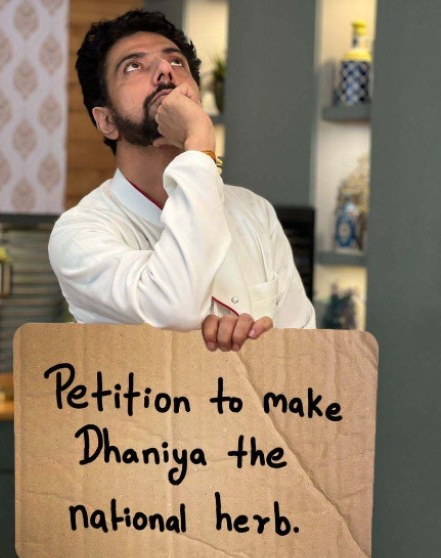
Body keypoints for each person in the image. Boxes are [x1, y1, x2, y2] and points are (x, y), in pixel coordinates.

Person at [49, 10, 315, 352]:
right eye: (133, 66)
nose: (164, 71)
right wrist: (199, 142)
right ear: (107, 122)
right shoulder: (81, 234)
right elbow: (175, 306)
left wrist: (256, 344)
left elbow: (304, 350)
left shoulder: (254, 212)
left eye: (176, 62)